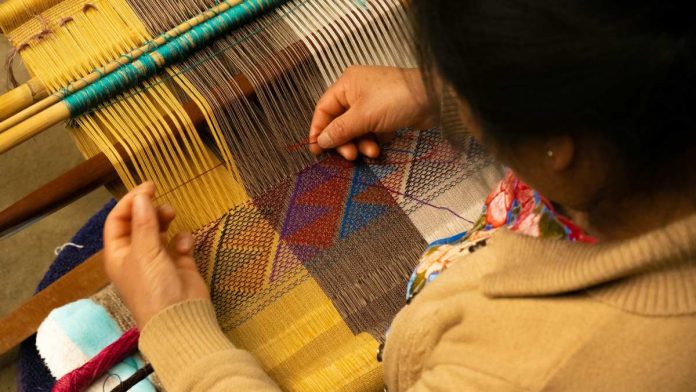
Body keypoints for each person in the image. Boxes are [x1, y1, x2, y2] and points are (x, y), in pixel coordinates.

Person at [103, 0, 696, 390]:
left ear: (556, 140)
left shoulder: (523, 370)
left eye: (454, 74)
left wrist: (178, 330)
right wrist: (436, 94)